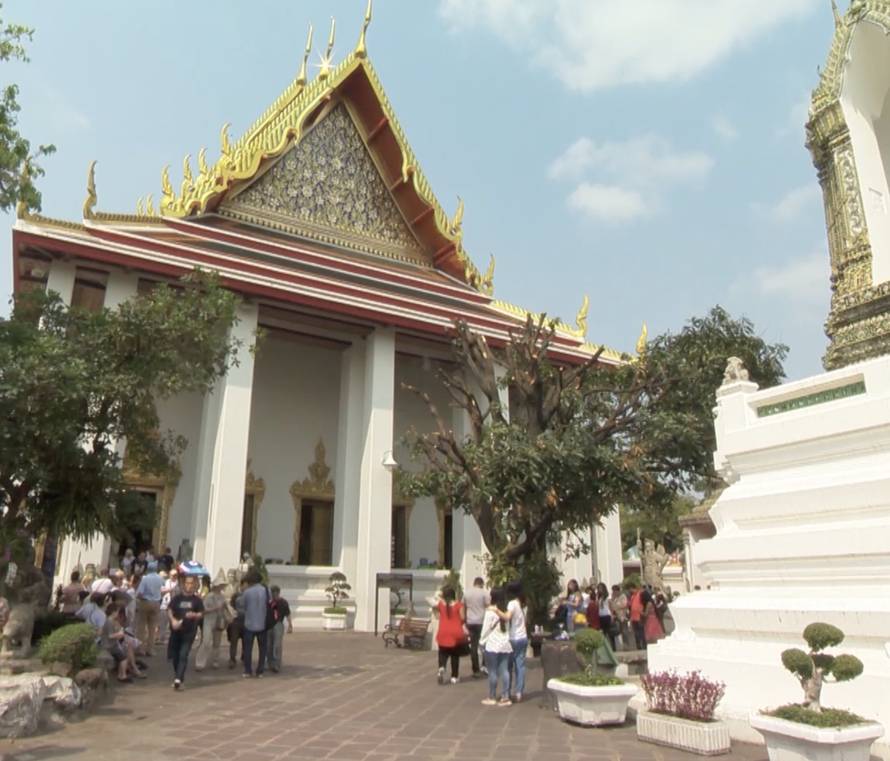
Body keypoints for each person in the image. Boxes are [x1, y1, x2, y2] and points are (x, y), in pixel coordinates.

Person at [167, 573, 204, 690]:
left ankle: (178, 679)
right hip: (176, 630)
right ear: (183, 584)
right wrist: (173, 620)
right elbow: (169, 609)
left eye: (191, 583)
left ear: (194, 585)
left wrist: (194, 615)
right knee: (175, 656)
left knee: (183, 654)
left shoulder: (197, 600)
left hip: (189, 631)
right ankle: (178, 676)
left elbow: (201, 613)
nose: (189, 585)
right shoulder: (177, 598)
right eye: (187, 583)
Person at [480, 587, 512, 706]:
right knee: (504, 671)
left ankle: (492, 696)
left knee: (492, 671)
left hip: (492, 644)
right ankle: (505, 696)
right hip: (505, 643)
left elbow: (485, 630)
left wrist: (481, 642)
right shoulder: (506, 610)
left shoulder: (490, 612)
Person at [101, 602, 146, 684]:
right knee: (124, 658)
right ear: (113, 612)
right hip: (110, 646)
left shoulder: (110, 621)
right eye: (117, 612)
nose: (118, 614)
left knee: (126, 653)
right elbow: (110, 636)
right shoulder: (109, 622)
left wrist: (120, 633)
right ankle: (123, 675)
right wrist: (119, 633)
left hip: (112, 644)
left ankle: (123, 673)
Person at [434, 586, 466, 685]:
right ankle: (454, 676)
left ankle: (442, 667)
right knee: (455, 655)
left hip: (443, 632)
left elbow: (437, 615)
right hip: (455, 633)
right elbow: (463, 618)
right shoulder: (459, 605)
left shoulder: (440, 605)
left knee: (442, 652)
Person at [240, 569, 269, 678]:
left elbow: (243, 607)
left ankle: (248, 670)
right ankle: (260, 670)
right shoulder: (266, 590)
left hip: (249, 623)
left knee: (248, 648)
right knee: (262, 649)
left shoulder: (247, 592)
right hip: (262, 622)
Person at [504, 581, 528, 703]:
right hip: (523, 637)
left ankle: (507, 692)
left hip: (513, 638)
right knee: (520, 665)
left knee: (508, 667)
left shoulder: (512, 603)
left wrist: (497, 613)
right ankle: (519, 692)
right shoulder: (523, 603)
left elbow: (507, 617)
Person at [462, 577, 489, 678]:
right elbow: (488, 606)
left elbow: (463, 606)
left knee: (473, 646)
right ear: (481, 584)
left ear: (474, 583)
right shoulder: (484, 593)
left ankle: (475, 669)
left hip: (470, 622)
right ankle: (484, 666)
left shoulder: (467, 593)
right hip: (482, 622)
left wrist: (464, 620)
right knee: (484, 644)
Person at [135, 561, 163, 657]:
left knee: (141, 627)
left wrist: (137, 598)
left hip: (145, 602)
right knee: (152, 627)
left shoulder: (145, 578)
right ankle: (150, 649)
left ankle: (141, 649)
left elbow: (140, 592)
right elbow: (162, 589)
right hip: (156, 603)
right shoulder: (160, 578)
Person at [267, 585, 292, 673]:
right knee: (268, 645)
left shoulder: (283, 602)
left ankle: (277, 663)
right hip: (269, 624)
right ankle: (269, 663)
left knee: (277, 645)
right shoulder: (268, 602)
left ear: (278, 592)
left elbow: (288, 614)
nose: (274, 594)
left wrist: (290, 625)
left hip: (278, 624)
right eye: (272, 592)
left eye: (275, 592)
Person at [228, 579, 246, 668]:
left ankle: (244, 656)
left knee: (245, 641)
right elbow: (231, 607)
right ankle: (232, 659)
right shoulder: (235, 596)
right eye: (245, 585)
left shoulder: (249, 596)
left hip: (246, 621)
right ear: (241, 586)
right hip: (236, 620)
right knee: (233, 641)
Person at [596, 583, 615, 650]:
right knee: (602, 633)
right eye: (598, 588)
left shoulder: (608, 596)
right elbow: (597, 606)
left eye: (601, 588)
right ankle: (604, 649)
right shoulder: (598, 597)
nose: (599, 590)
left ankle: (613, 647)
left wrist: (612, 615)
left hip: (607, 615)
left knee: (609, 632)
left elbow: (610, 606)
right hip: (601, 615)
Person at [610, 584, 629, 650]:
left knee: (624, 632)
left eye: (614, 591)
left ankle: (626, 646)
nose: (613, 593)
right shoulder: (615, 598)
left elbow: (624, 605)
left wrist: (616, 607)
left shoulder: (623, 596)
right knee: (619, 632)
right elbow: (612, 606)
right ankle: (621, 646)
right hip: (617, 617)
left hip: (623, 617)